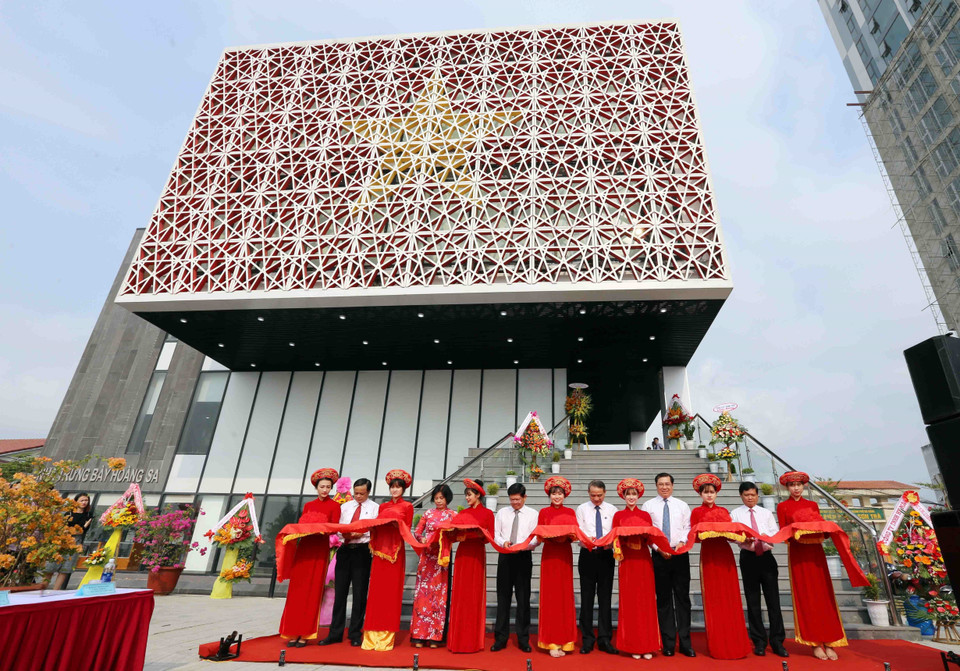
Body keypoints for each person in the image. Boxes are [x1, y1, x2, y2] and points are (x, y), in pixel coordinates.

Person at [778, 471, 848, 661]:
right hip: (798, 553)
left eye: (799, 485)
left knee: (823, 595)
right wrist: (797, 532)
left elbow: (821, 526)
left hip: (816, 552)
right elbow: (784, 532)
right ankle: (815, 643)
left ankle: (830, 641)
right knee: (806, 596)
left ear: (804, 486)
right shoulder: (782, 506)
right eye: (792, 485)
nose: (796, 488)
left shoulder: (812, 505)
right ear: (787, 488)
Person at [690, 474, 751, 660]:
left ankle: (736, 644)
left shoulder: (724, 512)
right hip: (709, 556)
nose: (709, 495)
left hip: (725, 556)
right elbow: (694, 537)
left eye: (712, 492)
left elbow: (732, 535)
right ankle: (718, 645)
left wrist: (743, 537)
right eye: (705, 492)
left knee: (730, 597)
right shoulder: (696, 513)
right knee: (714, 598)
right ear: (700, 494)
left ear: (716, 494)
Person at [280, 468, 342, 646]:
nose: (325, 490)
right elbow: (300, 526)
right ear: (316, 487)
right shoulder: (308, 505)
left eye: (328, 487)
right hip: (304, 550)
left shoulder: (334, 506)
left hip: (319, 551)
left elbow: (334, 528)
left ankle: (305, 634)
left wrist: (320, 528)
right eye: (322, 486)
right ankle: (292, 632)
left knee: (312, 592)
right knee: (297, 591)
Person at [731, 481, 789, 658]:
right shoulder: (735, 513)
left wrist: (766, 537)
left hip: (766, 558)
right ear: (741, 496)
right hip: (748, 558)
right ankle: (759, 642)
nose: (750, 498)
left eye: (753, 495)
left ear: (757, 495)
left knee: (773, 600)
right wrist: (742, 539)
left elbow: (775, 532)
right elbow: (731, 535)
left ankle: (777, 641)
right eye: (746, 495)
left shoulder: (766, 513)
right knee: (752, 600)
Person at [320, 478, 379, 647]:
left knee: (359, 594)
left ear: (368, 492)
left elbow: (375, 530)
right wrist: (345, 534)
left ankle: (355, 633)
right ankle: (335, 633)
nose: (358, 496)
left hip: (362, 552)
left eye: (362, 493)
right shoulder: (344, 507)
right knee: (340, 593)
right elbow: (337, 528)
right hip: (345, 551)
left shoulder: (375, 508)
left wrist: (363, 534)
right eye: (356, 493)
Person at [641, 472, 694, 657]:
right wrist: (658, 548)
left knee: (682, 599)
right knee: (663, 600)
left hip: (680, 554)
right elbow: (647, 531)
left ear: (672, 485)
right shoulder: (648, 506)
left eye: (667, 484)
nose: (664, 487)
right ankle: (668, 643)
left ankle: (685, 643)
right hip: (659, 555)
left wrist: (682, 542)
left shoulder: (682, 505)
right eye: (661, 484)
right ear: (656, 486)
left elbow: (688, 527)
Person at [362, 469, 414, 651]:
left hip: (395, 553)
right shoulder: (382, 506)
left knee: (390, 593)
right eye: (392, 487)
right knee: (376, 592)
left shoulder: (408, 506)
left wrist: (395, 524)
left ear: (403, 489)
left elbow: (406, 529)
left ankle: (386, 638)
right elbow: (376, 526)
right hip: (379, 554)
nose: (394, 490)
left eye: (398, 487)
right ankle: (370, 637)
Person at [612, 478, 661, 660]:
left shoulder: (645, 516)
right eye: (628, 494)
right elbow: (615, 538)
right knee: (630, 602)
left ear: (638, 496)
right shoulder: (618, 516)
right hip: (627, 561)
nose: (631, 497)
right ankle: (632, 644)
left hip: (643, 560)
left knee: (646, 601)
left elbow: (651, 538)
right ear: (623, 496)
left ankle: (648, 645)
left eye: (634, 494)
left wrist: (660, 548)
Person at [446, 478, 496, 653]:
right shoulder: (462, 514)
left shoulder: (488, 514)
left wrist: (471, 535)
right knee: (460, 595)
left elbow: (490, 537)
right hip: (462, 556)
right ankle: (457, 640)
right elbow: (451, 535)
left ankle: (472, 641)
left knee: (474, 594)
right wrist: (457, 535)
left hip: (476, 555)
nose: (467, 498)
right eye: (466, 495)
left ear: (478, 495)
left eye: (470, 495)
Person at [492, 483, 538, 653]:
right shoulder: (502, 513)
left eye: (518, 499)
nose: (515, 503)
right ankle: (500, 638)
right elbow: (496, 534)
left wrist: (524, 545)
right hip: (505, 556)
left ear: (525, 497)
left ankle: (523, 639)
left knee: (523, 599)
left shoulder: (533, 514)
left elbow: (536, 538)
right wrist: (503, 542)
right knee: (503, 598)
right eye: (512, 500)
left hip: (523, 557)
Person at [575, 479, 618, 655]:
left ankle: (605, 639)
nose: (596, 498)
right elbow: (578, 532)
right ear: (588, 493)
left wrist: (609, 543)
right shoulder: (581, 509)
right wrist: (587, 541)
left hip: (606, 555)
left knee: (605, 598)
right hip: (588, 555)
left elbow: (616, 532)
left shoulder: (613, 510)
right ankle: (587, 639)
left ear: (605, 493)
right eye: (593, 495)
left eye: (599, 495)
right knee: (586, 598)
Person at [410, 484, 456, 648]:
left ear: (447, 499)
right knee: (423, 594)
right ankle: (419, 635)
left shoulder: (453, 515)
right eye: (436, 498)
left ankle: (436, 636)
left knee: (439, 596)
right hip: (427, 557)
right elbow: (417, 531)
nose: (438, 501)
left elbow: (456, 534)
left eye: (441, 498)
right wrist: (422, 538)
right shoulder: (428, 513)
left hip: (442, 558)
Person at [537, 476, 578, 658]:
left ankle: (566, 641)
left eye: (560, 493)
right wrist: (551, 537)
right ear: (549, 495)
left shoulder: (570, 512)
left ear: (565, 495)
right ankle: (551, 642)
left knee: (564, 596)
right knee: (551, 597)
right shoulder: (544, 512)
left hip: (564, 554)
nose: (557, 496)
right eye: (554, 493)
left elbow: (575, 533)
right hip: (550, 555)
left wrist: (566, 536)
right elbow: (539, 534)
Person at [50, 493, 93, 590]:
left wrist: (75, 529)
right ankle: (44, 588)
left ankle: (56, 590)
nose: (84, 502)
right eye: (82, 500)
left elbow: (82, 531)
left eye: (86, 500)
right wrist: (79, 528)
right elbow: (63, 528)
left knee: (66, 568)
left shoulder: (88, 515)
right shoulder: (68, 513)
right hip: (62, 541)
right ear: (76, 501)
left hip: (75, 543)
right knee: (51, 566)